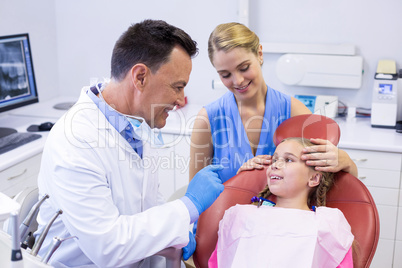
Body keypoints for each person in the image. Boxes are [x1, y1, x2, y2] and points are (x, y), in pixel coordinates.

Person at [34, 20, 224, 268]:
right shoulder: (75, 141)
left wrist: (173, 237)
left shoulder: (136, 123)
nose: (180, 99)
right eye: (177, 87)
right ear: (140, 77)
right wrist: (189, 206)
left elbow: (148, 208)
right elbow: (108, 246)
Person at [189, 22, 358, 183]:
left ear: (260, 54)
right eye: (225, 75)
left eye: (244, 68)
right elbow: (196, 194)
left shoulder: (294, 112)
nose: (238, 80)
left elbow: (325, 184)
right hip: (224, 213)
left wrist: (347, 162)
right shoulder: (208, 119)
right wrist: (238, 184)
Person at [208, 137, 355, 267]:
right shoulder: (242, 215)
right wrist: (240, 183)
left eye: (288, 160)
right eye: (274, 159)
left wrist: (349, 163)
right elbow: (220, 260)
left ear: (314, 179)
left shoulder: (327, 224)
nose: (275, 165)